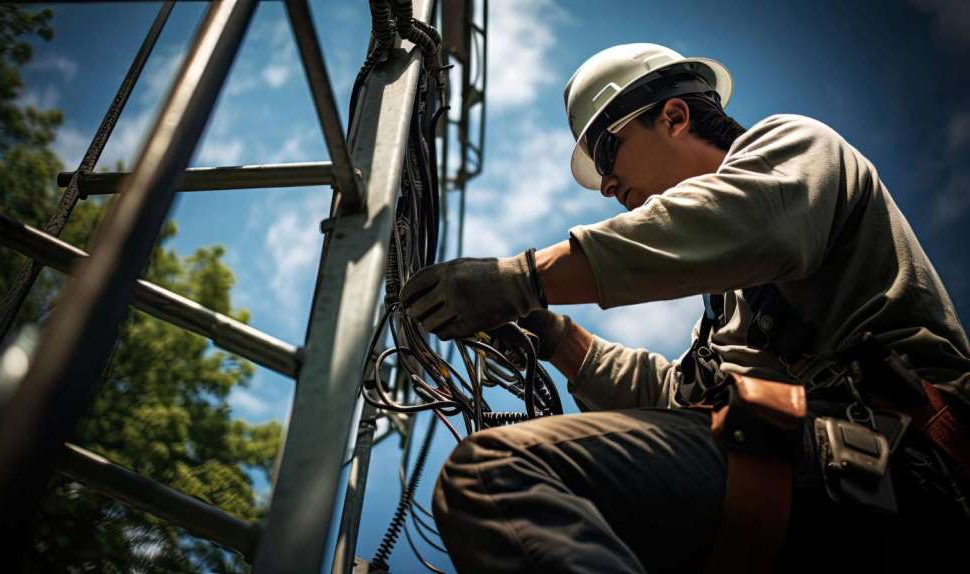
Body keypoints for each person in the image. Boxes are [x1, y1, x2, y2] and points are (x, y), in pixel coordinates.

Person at [401, 43, 970, 572]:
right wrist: (553, 338)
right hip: (824, 479)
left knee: (494, 474)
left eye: (608, 151)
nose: (607, 185)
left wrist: (523, 279)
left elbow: (737, 220)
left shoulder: (796, 150)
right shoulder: (729, 308)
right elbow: (679, 394)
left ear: (673, 116)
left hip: (905, 468)